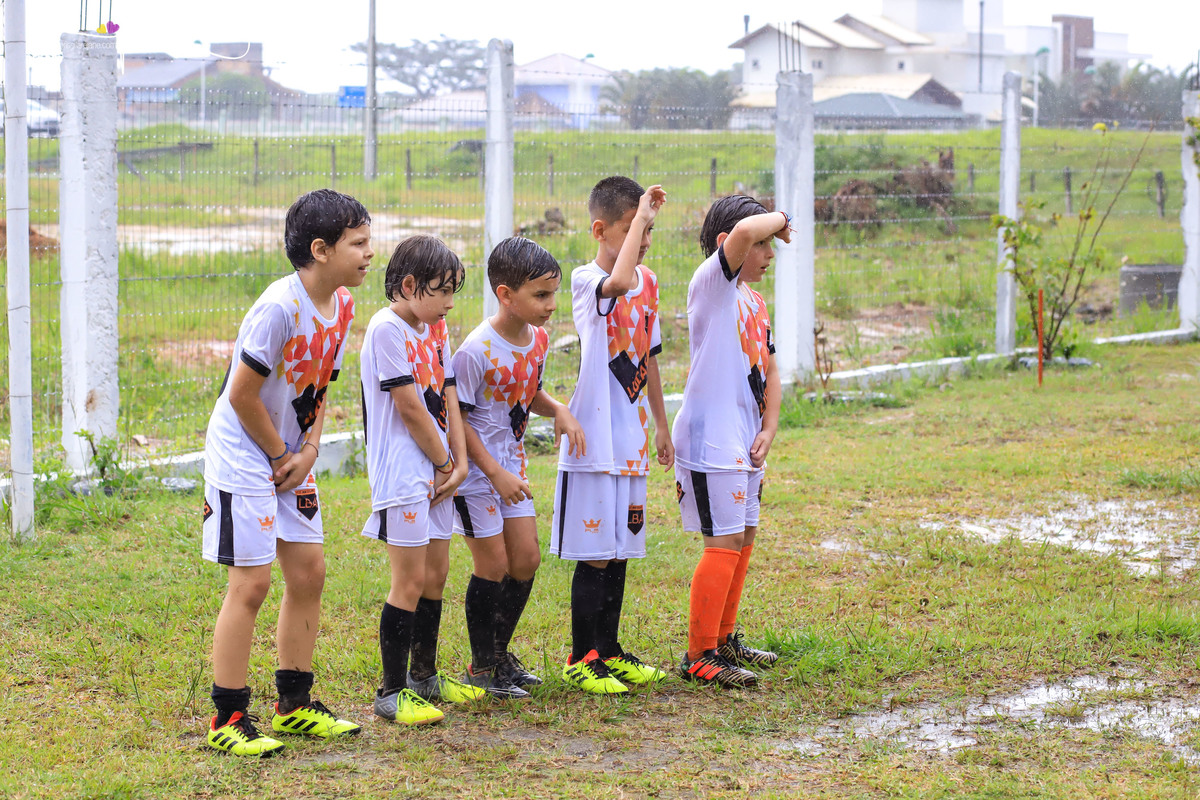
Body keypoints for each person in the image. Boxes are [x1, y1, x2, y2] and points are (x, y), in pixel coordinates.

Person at [201, 189, 370, 756]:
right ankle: (228, 719)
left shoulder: (342, 304)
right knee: (250, 584)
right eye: (359, 242)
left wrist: (311, 448)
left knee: (309, 573)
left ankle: (294, 707)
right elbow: (242, 394)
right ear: (321, 250)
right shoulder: (280, 306)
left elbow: (320, 386)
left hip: (291, 454)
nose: (371, 253)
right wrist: (280, 456)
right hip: (246, 452)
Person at [551, 177, 674, 694]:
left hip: (633, 440)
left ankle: (612, 650)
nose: (643, 239)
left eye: (646, 230)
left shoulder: (649, 283)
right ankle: (583, 657)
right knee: (596, 552)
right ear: (601, 230)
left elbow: (647, 356)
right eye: (631, 230)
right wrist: (642, 216)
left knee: (621, 548)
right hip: (593, 445)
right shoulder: (585, 279)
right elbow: (617, 283)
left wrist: (661, 424)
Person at [450, 236, 585, 698]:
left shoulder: (539, 339)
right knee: (492, 564)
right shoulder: (474, 351)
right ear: (505, 294)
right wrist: (493, 473)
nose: (551, 305)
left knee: (525, 560)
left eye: (553, 293)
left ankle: (499, 654)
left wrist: (559, 409)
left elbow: (529, 394)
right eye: (541, 295)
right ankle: (480, 667)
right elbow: (459, 421)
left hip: (513, 468)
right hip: (477, 476)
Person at [359, 234, 486, 726]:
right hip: (406, 474)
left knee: (435, 577)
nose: (450, 303)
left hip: (438, 471)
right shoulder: (386, 329)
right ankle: (391, 692)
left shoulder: (436, 326)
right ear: (409, 285)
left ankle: (425, 678)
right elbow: (410, 407)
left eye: (454, 290)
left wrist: (459, 463)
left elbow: (447, 394)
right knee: (409, 580)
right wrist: (442, 463)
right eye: (443, 290)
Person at [673, 196, 790, 688]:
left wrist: (767, 428)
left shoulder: (755, 301)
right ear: (729, 245)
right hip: (710, 440)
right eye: (762, 244)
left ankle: (723, 640)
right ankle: (699, 654)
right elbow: (742, 233)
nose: (769, 252)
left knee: (741, 542)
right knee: (720, 545)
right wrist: (784, 219)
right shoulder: (712, 284)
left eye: (771, 243)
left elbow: (771, 370)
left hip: (744, 440)